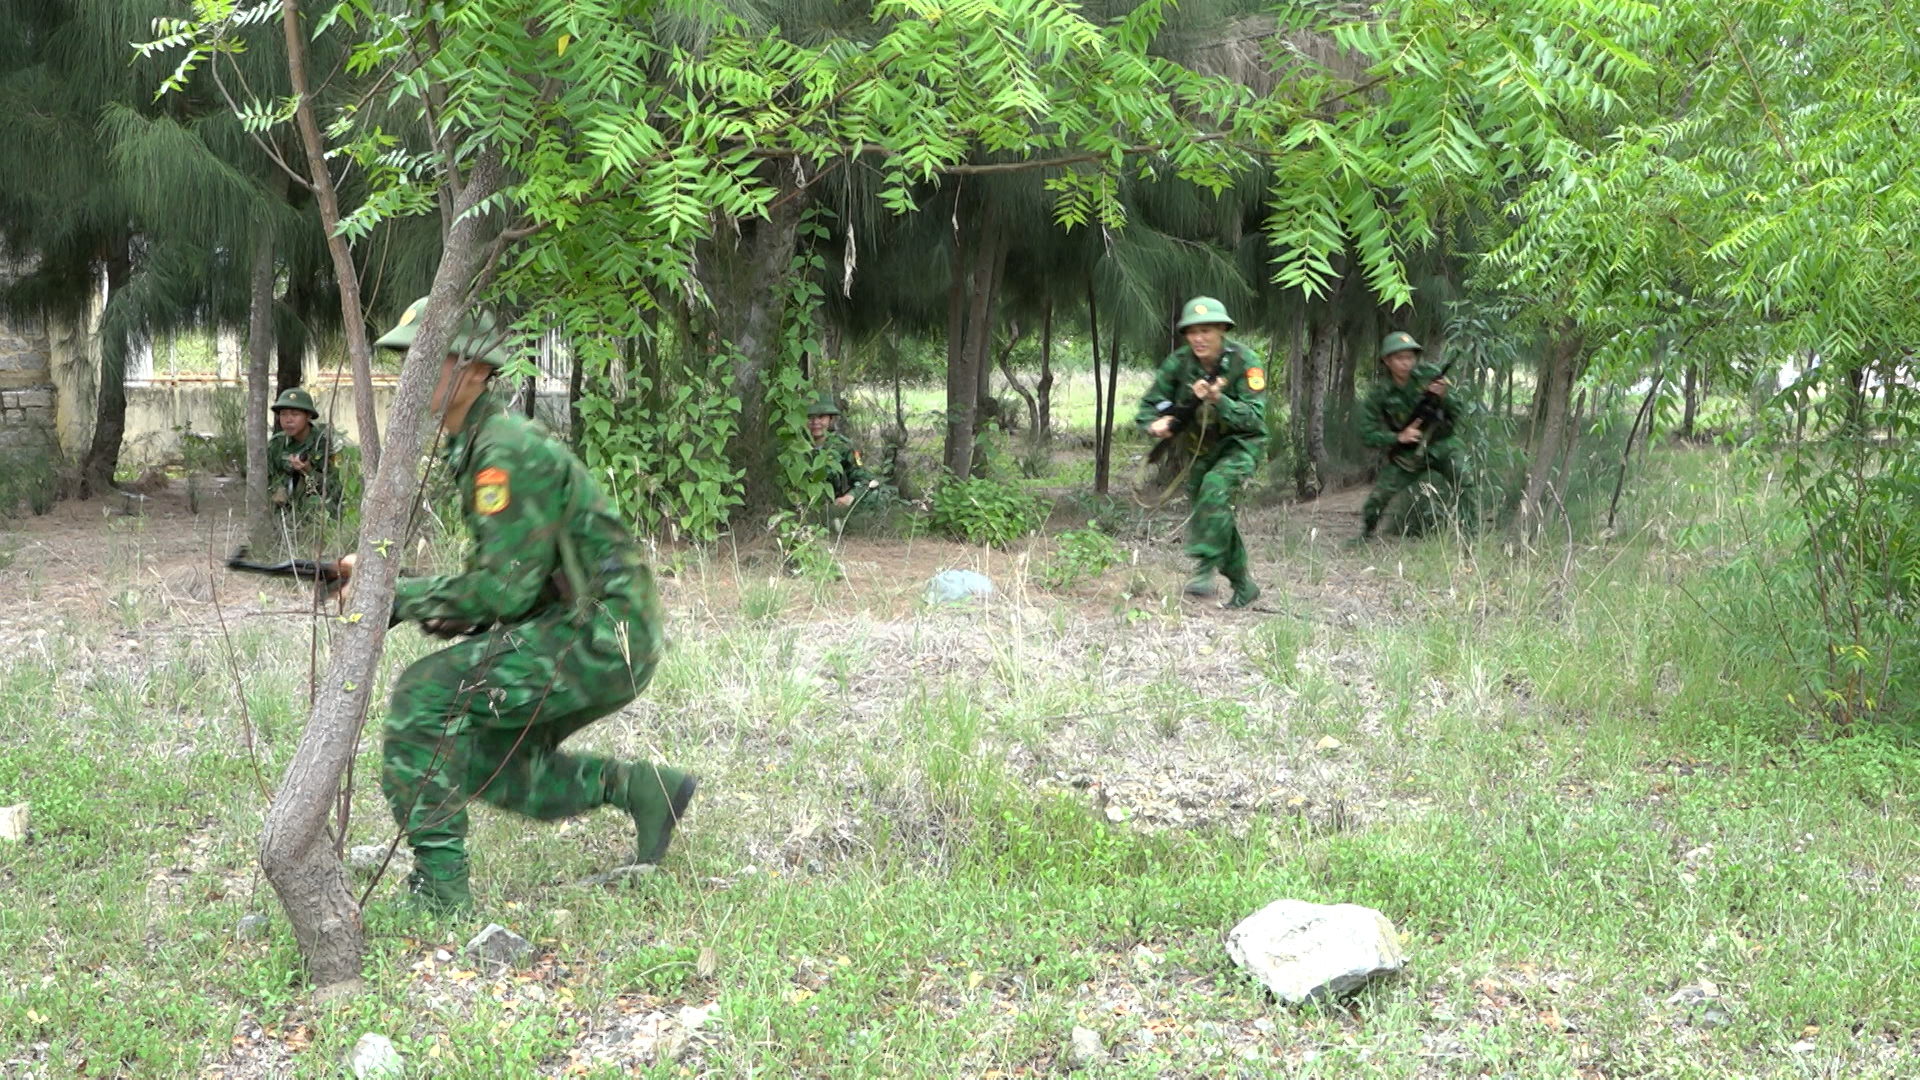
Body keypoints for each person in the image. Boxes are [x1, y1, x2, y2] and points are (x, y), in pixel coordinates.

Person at [344, 297, 697, 913]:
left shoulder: (503, 450)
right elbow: (512, 584)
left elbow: (503, 591)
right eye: (409, 359)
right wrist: (399, 587)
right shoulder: (478, 441)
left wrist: (392, 596)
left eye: (434, 357)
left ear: (478, 370)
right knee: (486, 760)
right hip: (591, 628)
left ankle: (440, 895)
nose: (415, 371)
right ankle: (644, 791)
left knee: (422, 697)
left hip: (602, 634)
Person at [1136, 296, 1267, 608]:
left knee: (1214, 489)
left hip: (1240, 444)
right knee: (1211, 510)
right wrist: (1157, 424)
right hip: (1199, 449)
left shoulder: (1245, 362)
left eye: (1206, 330)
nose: (1198, 338)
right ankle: (1243, 584)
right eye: (1191, 331)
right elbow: (1149, 406)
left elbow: (1253, 417)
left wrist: (1219, 400)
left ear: (1222, 329)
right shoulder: (1180, 364)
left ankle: (1205, 568)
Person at [1356, 331, 1462, 542]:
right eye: (1400, 358)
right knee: (1376, 500)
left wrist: (1444, 396)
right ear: (1387, 361)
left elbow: (1459, 410)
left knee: (1466, 481)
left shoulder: (1430, 375)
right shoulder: (1380, 393)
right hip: (1408, 454)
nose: (1406, 363)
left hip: (1441, 444)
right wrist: (1398, 437)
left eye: (1410, 357)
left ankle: (1469, 536)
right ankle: (1365, 536)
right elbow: (1366, 434)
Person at [265, 387, 341, 511]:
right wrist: (278, 488)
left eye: (295, 414)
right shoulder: (277, 443)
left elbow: (337, 488)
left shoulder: (325, 442)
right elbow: (265, 477)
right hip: (284, 513)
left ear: (308, 416)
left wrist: (308, 471)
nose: (288, 420)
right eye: (283, 414)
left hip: (320, 513)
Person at [805, 392, 874, 507]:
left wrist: (850, 496)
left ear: (830, 419)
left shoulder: (842, 447)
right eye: (810, 417)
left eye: (821, 417)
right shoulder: (793, 446)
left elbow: (864, 479)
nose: (815, 422)